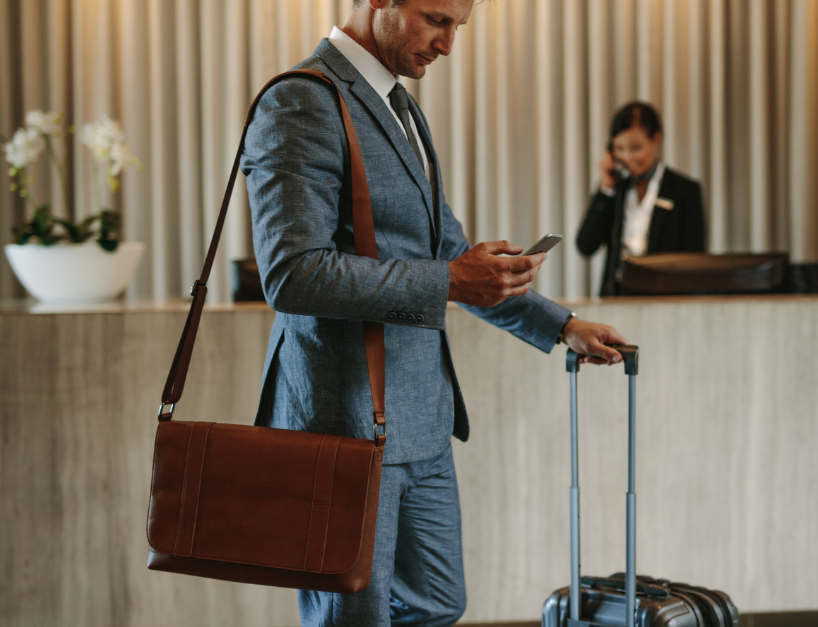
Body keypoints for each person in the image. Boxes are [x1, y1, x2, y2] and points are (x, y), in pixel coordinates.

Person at [240, 1, 627, 625]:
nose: (447, 44)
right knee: (354, 618)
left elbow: (446, 253)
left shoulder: (399, 104)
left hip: (422, 418)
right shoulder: (303, 100)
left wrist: (562, 327)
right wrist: (449, 279)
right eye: (435, 19)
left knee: (439, 606)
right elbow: (292, 273)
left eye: (457, 26)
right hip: (344, 421)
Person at [575, 102, 706, 296]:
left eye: (635, 148)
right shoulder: (615, 189)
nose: (627, 157)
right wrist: (606, 189)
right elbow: (585, 246)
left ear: (656, 139)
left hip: (666, 297)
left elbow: (694, 259)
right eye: (619, 148)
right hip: (617, 297)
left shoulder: (684, 190)